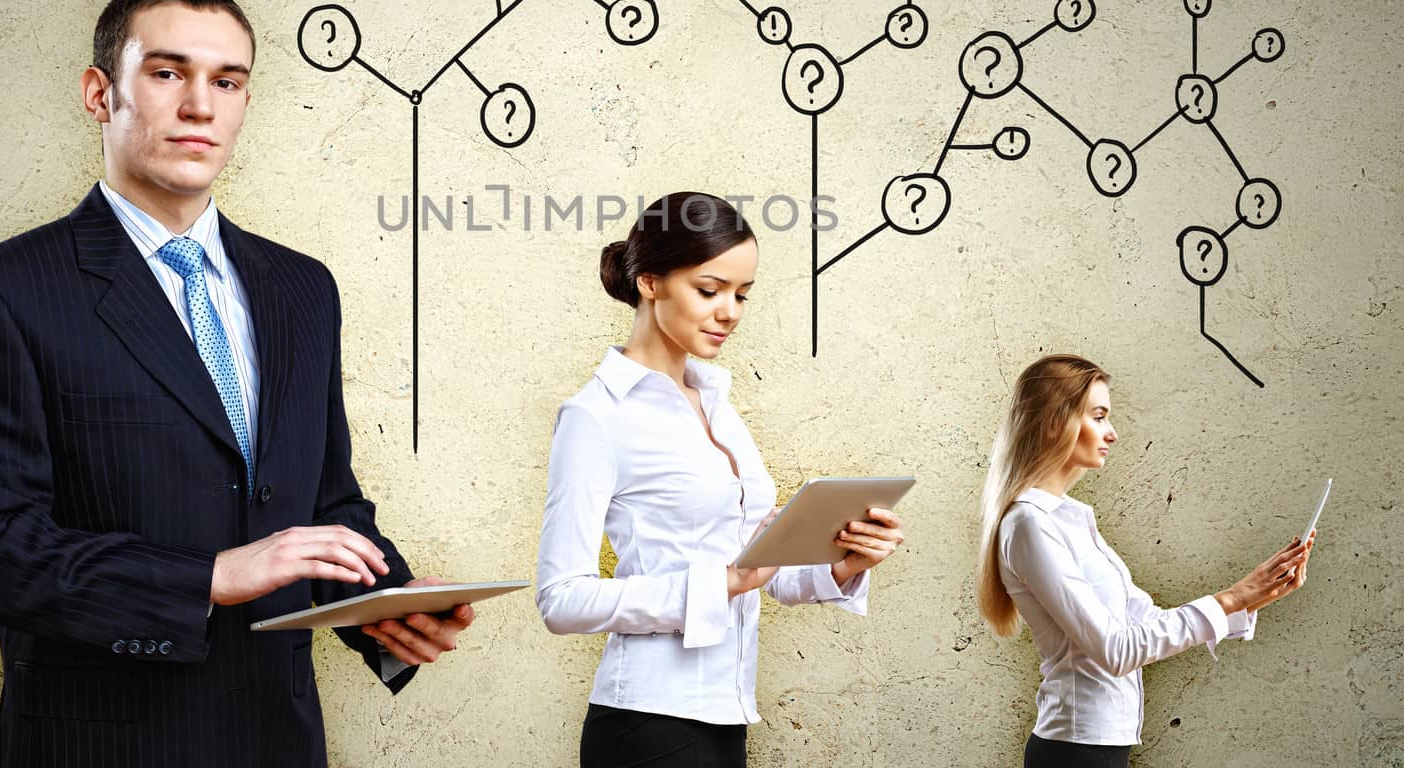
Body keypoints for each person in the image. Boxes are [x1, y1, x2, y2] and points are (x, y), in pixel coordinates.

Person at [0, 0, 473, 767]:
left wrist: (381, 606)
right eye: (168, 73)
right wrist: (208, 575)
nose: (201, 105)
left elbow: (323, 502)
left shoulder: (302, 289)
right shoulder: (2, 292)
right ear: (99, 93)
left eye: (228, 81)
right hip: (99, 747)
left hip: (279, 741)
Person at [536, 191, 906, 768]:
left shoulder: (716, 402)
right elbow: (562, 601)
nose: (729, 311)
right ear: (650, 281)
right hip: (648, 724)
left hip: (728, 715)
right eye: (709, 291)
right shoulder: (596, 415)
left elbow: (761, 568)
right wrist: (721, 583)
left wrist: (842, 563)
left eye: (741, 294)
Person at [976, 354, 1314, 767]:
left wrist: (1255, 596)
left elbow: (1144, 620)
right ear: (1053, 422)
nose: (1112, 433)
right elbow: (1116, 650)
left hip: (1099, 747)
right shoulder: (1031, 524)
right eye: (1098, 416)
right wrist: (1231, 597)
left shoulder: (1072, 519)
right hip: (1074, 752)